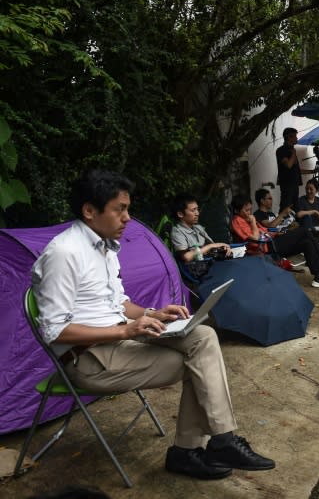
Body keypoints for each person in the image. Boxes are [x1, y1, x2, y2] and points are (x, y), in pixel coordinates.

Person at [32, 170, 275, 480]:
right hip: (90, 358)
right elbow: (55, 331)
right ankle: (191, 450)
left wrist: (154, 313)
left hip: (120, 343)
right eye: (119, 209)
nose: (127, 218)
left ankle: (217, 441)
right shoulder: (64, 254)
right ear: (90, 211)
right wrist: (124, 330)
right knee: (198, 362)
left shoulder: (105, 247)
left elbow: (118, 303)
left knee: (202, 335)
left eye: (128, 209)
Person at [252, 188, 319, 287]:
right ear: (262, 201)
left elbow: (277, 228)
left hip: (282, 241)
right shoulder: (257, 215)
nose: (271, 200)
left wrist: (290, 226)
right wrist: (283, 213)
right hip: (273, 245)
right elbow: (270, 226)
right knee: (304, 230)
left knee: (307, 243)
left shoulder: (271, 214)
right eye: (269, 198)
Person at [170, 193, 232, 262]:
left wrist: (222, 248)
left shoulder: (198, 228)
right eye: (193, 210)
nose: (197, 213)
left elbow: (212, 246)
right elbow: (186, 257)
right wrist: (210, 246)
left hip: (209, 262)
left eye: (197, 209)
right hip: (195, 269)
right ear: (180, 214)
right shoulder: (177, 232)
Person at [276, 127, 314, 212]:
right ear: (289, 137)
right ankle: (283, 223)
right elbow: (288, 165)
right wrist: (293, 154)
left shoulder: (291, 150)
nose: (297, 138)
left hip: (294, 185)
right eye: (295, 136)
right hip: (287, 184)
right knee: (286, 207)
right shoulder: (282, 150)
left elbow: (297, 170)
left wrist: (312, 171)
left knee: (294, 208)